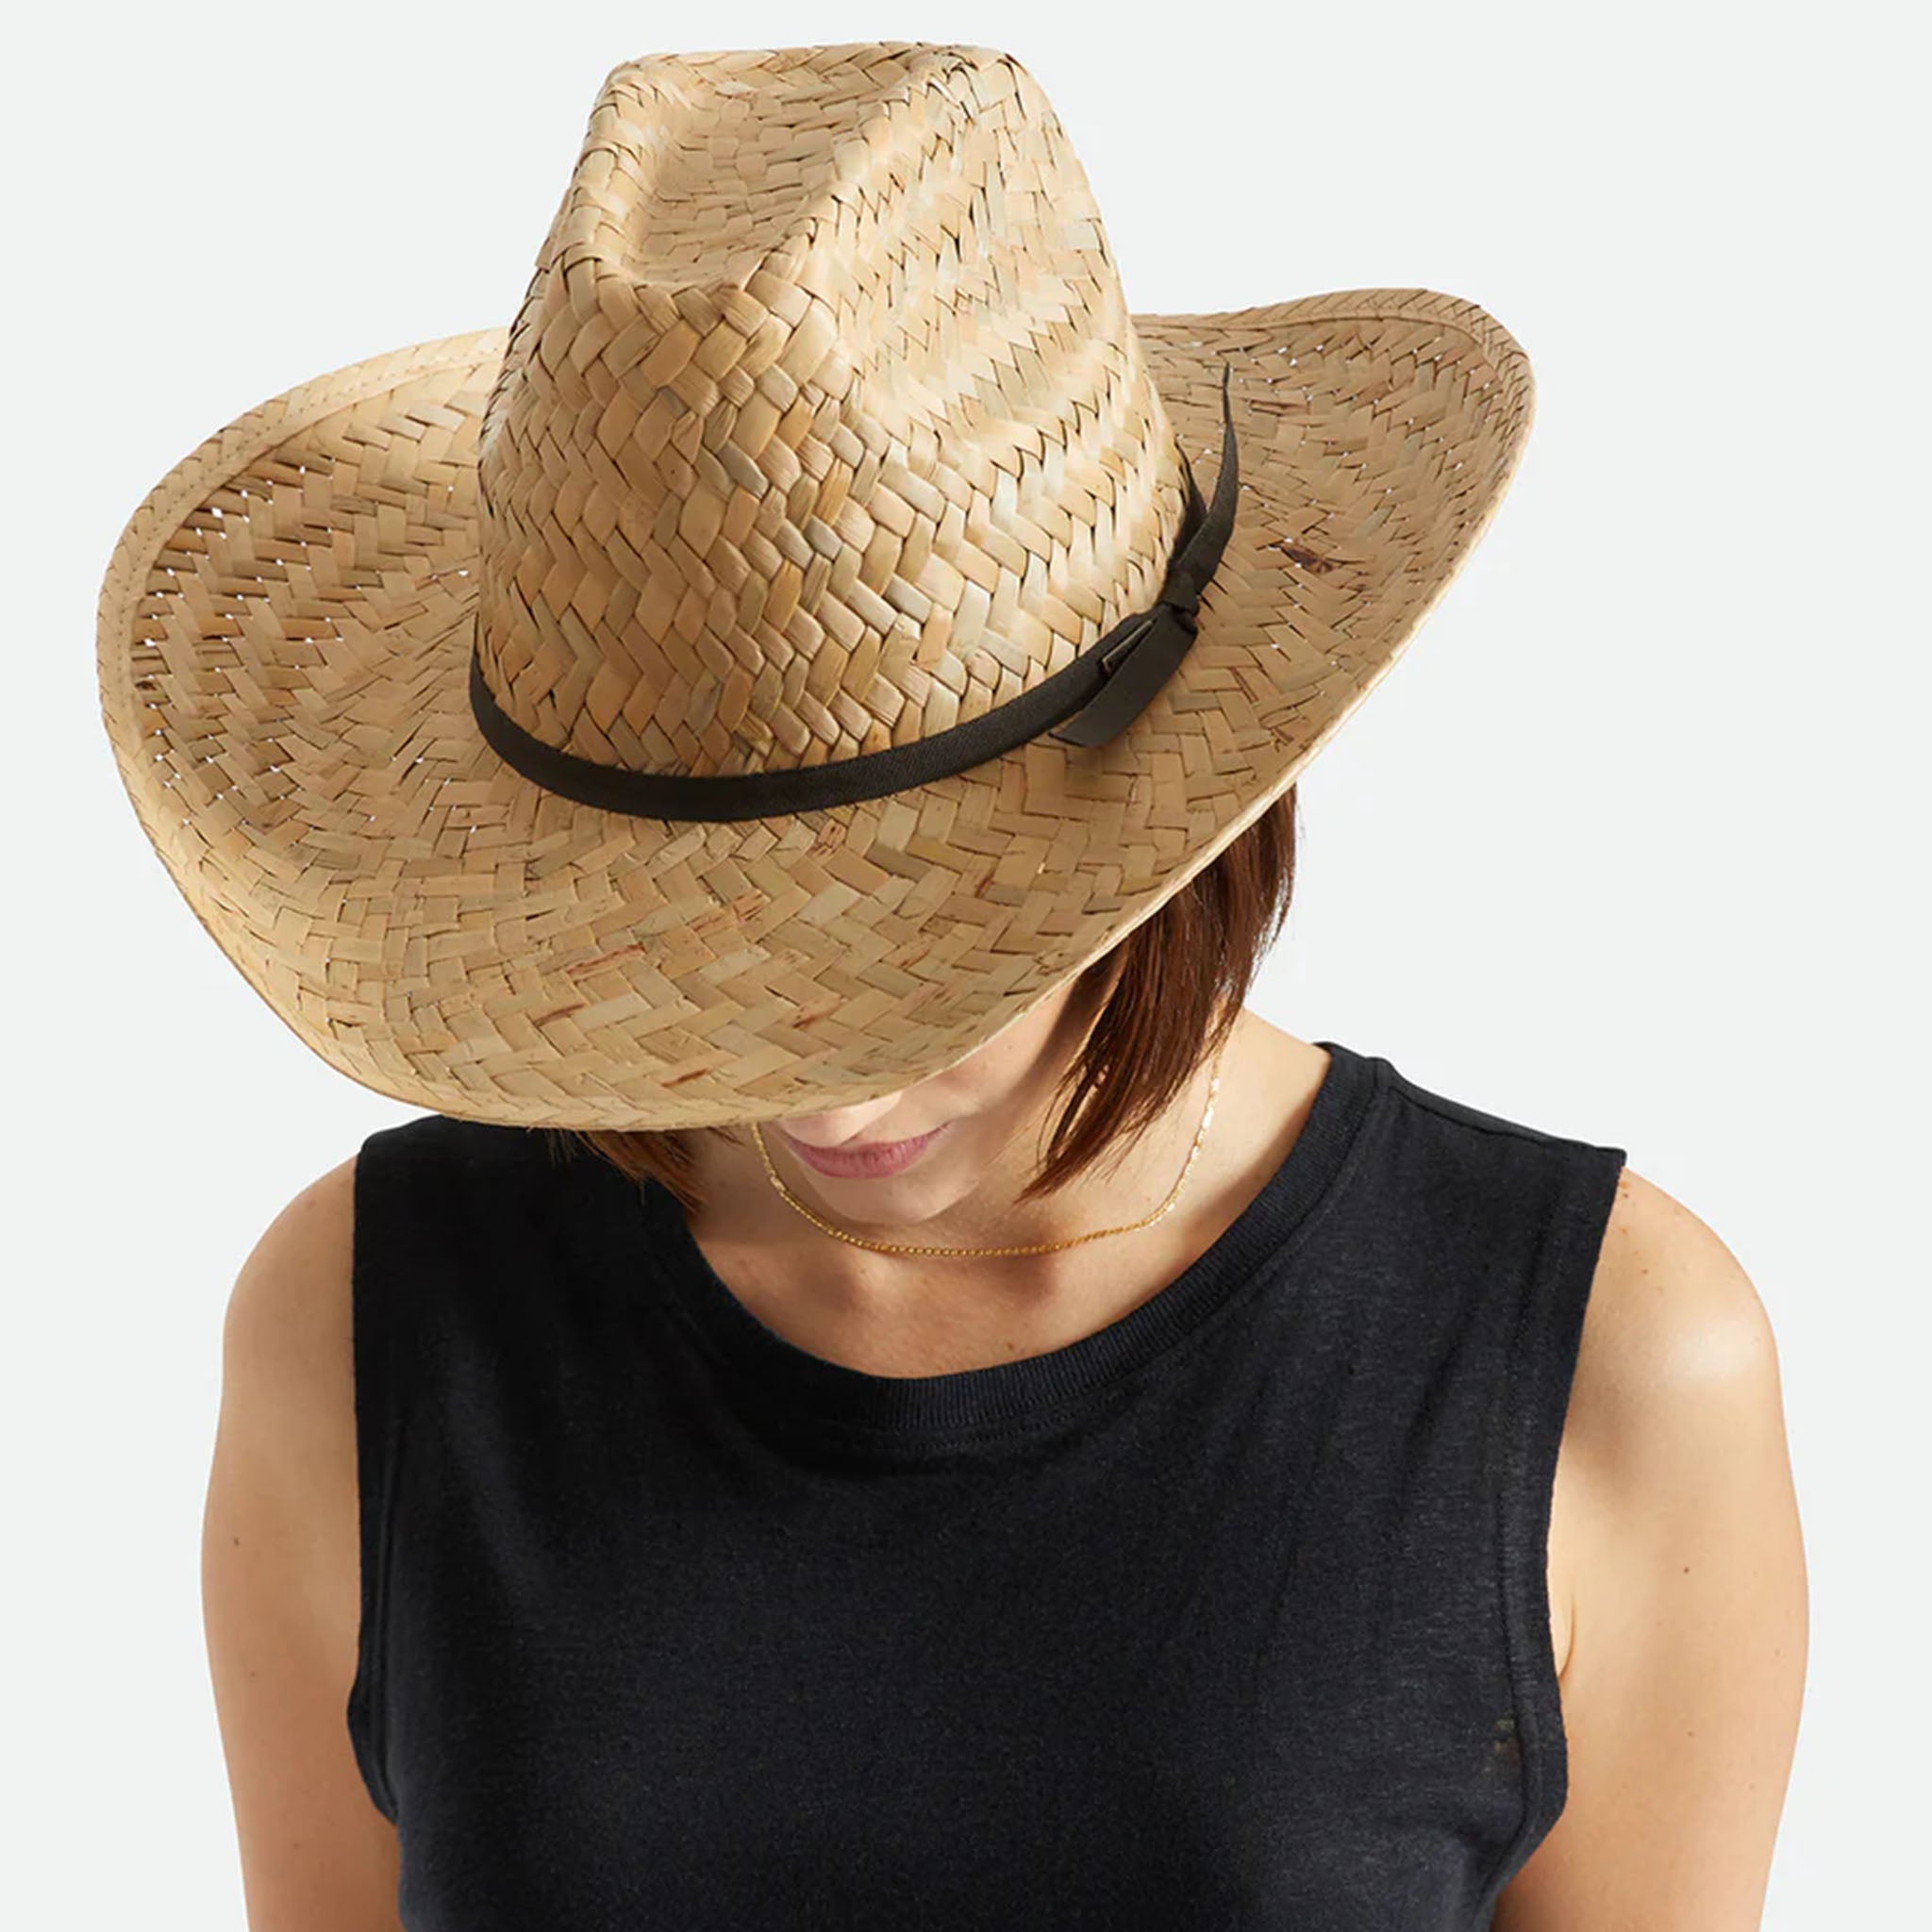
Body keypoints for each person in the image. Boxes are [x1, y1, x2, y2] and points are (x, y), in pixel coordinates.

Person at [99, 41, 1806, 1932]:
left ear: (1176, 824)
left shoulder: (1602, 1356)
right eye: (700, 942)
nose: (822, 1095)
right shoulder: (369, 1322)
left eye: (908, 962)